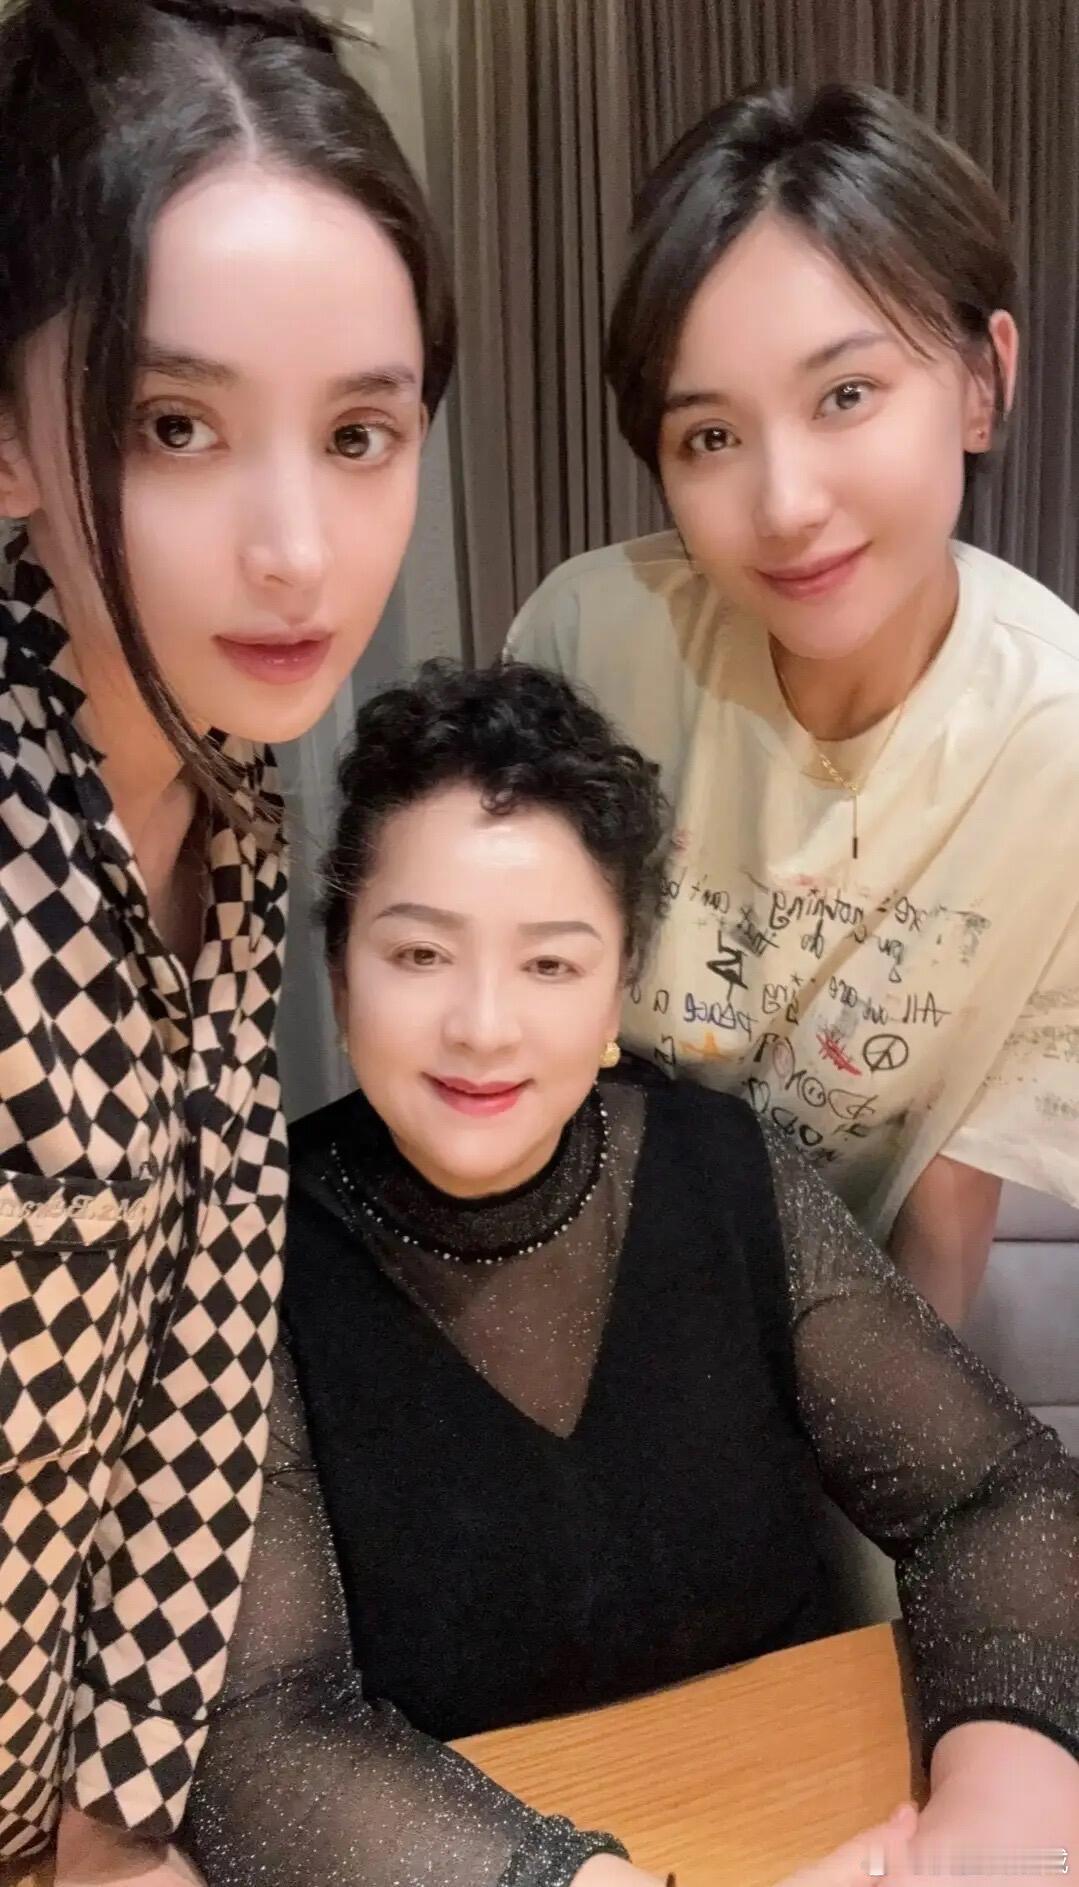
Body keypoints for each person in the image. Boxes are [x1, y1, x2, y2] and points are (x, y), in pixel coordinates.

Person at [182, 661, 1078, 1887]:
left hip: (812, 1814)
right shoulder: (248, 1249)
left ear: (617, 987)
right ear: (341, 976)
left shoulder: (721, 1171)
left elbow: (995, 1491)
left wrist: (998, 1815)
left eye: (550, 964)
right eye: (420, 955)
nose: (483, 1025)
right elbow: (260, 1735)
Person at [0, 0, 453, 1878]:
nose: (298, 548)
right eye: (174, 426)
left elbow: (201, 1364)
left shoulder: (229, 797)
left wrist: (113, 1828)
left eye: (358, 433)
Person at [507, 82, 1079, 1327]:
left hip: (824, 1322)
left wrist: (882, 1448)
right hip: (554, 1267)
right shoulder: (589, 644)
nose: (783, 507)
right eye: (710, 437)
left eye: (844, 395)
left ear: (981, 382)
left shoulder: (1054, 750)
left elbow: (940, 1214)